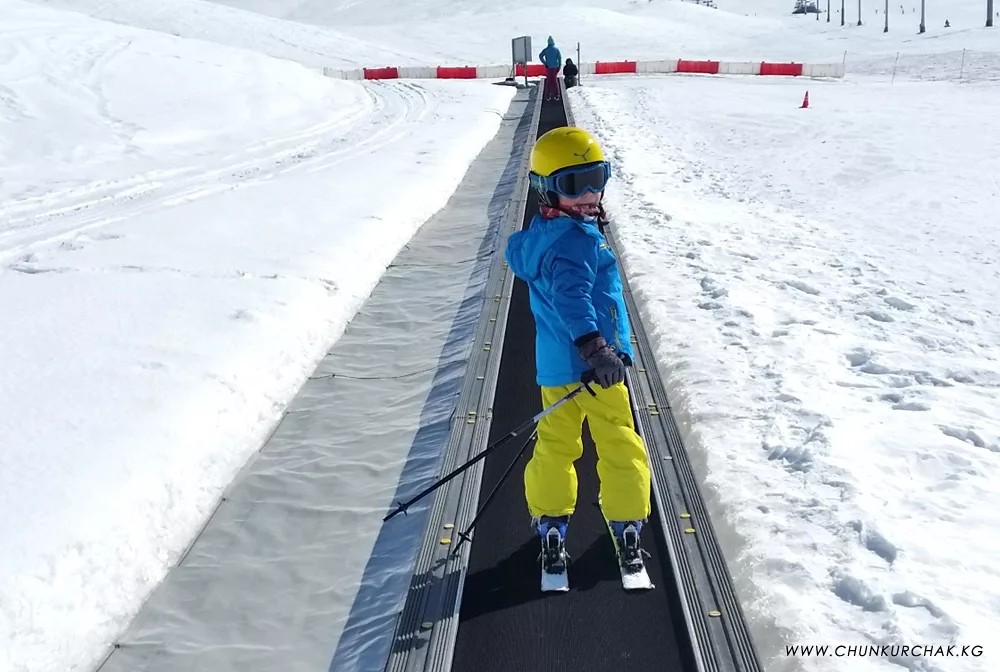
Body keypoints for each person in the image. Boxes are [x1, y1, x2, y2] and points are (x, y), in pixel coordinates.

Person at [504, 127, 652, 575]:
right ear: (547, 189)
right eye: (574, 184)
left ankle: (551, 519)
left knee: (555, 444)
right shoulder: (574, 242)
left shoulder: (547, 233)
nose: (590, 193)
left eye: (597, 177)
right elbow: (575, 299)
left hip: (555, 368)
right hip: (595, 369)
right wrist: (598, 349)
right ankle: (627, 520)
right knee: (619, 442)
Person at [538, 36, 562, 102]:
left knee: (548, 81)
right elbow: (559, 58)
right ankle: (557, 95)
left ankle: (547, 95)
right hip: (555, 67)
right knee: (554, 81)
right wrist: (559, 66)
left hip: (548, 67)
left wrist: (545, 63)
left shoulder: (546, 49)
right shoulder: (556, 49)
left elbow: (540, 56)